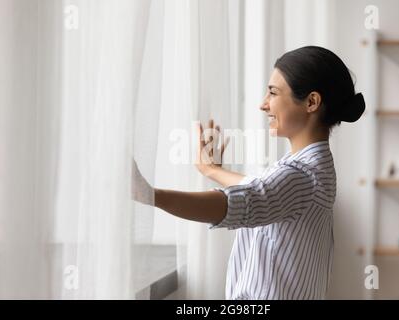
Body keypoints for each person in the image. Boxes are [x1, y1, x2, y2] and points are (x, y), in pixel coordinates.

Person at [132, 46, 365, 300]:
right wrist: (212, 170)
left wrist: (151, 195)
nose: (263, 105)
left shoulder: (299, 176)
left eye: (273, 93)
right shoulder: (312, 169)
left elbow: (243, 201)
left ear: (311, 102)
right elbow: (262, 190)